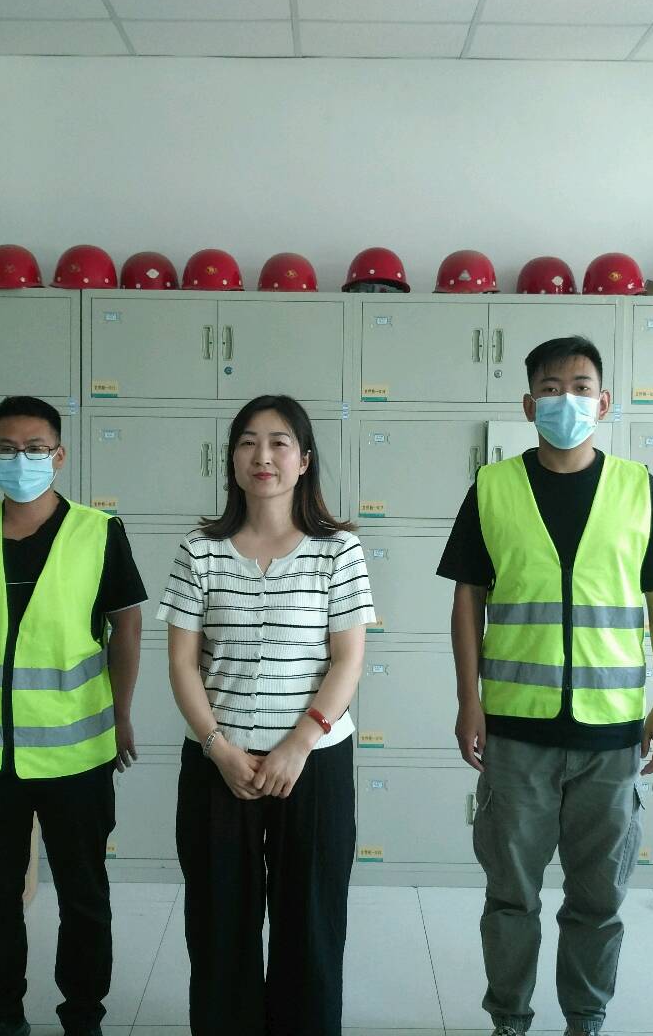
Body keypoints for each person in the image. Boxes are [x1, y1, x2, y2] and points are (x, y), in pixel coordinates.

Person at [438, 337, 653, 1036]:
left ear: (603, 403)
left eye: (581, 387)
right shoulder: (493, 488)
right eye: (551, 389)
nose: (567, 400)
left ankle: (586, 1018)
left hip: (611, 736)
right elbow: (468, 600)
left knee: (598, 899)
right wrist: (468, 700)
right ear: (529, 406)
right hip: (516, 732)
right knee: (511, 897)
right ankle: (510, 1019)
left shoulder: (639, 489)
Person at [0, 395, 145, 1036]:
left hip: (76, 753)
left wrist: (121, 715)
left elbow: (127, 627)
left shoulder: (99, 532)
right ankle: (0, 1017)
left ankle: (83, 1016)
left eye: (34, 448)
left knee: (83, 892)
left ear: (59, 455)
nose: (20, 459)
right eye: (6, 448)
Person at [158, 394, 375, 1036]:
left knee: (310, 921)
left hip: (314, 763)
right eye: (248, 442)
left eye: (280, 442)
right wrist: (218, 747)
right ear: (231, 459)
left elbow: (347, 661)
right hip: (219, 765)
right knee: (219, 920)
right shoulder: (199, 550)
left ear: (304, 460)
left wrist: (298, 745)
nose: (263, 455)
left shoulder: (339, 551)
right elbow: (182, 664)